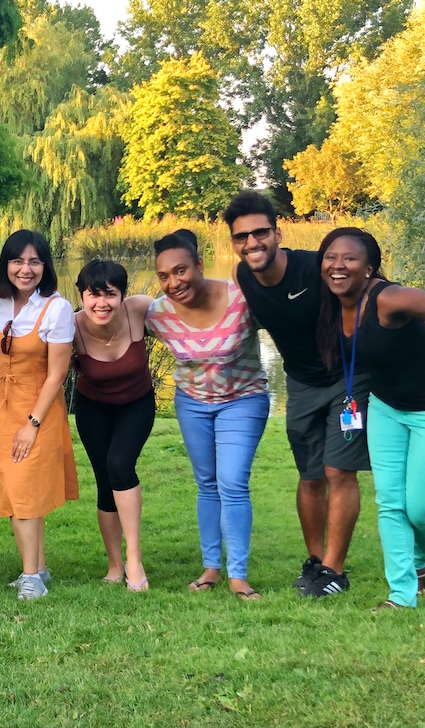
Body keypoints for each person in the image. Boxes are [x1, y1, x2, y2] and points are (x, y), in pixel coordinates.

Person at [226, 191, 369, 598]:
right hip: (301, 384)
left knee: (339, 471)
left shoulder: (315, 267)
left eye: (261, 233)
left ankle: (335, 572)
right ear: (233, 243)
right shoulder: (242, 275)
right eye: (242, 237)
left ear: (277, 232)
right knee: (309, 476)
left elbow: (370, 287)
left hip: (347, 379)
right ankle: (316, 561)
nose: (253, 243)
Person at [145, 229, 269, 600]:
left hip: (243, 399)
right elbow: (112, 318)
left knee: (232, 481)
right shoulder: (158, 314)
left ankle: (239, 576)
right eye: (164, 276)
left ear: (199, 264)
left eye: (180, 271)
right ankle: (211, 568)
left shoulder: (241, 299)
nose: (173, 282)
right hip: (192, 403)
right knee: (208, 484)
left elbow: (289, 317)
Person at [316, 228, 425, 610]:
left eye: (349, 258)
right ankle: (402, 595)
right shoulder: (335, 302)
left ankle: (422, 563)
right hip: (384, 407)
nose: (338, 265)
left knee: (420, 506)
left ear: (370, 268)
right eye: (330, 257)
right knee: (391, 503)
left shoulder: (389, 298)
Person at [0, 230, 77, 600]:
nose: (25, 269)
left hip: (36, 408)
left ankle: (30, 577)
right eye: (17, 260)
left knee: (22, 487)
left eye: (34, 261)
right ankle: (40, 567)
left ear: (44, 266)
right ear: (6, 265)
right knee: (19, 487)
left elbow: (58, 374)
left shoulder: (57, 308)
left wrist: (33, 424)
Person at [71, 259, 155, 591]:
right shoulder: (71, 325)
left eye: (110, 294)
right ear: (81, 296)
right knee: (105, 480)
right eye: (93, 295)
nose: (101, 303)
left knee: (120, 465)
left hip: (137, 403)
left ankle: (134, 560)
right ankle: (114, 564)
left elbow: (184, 316)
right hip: (93, 409)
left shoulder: (140, 310)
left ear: (123, 296)